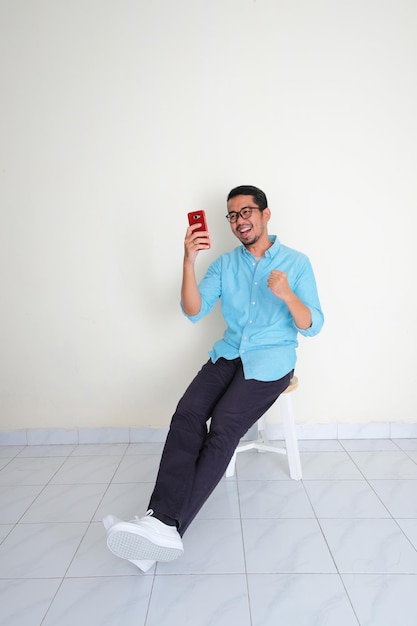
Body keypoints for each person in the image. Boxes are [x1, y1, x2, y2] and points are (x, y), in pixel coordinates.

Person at [103, 184, 324, 571]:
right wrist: (188, 260)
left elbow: (312, 326)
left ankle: (163, 525)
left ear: (265, 214)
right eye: (233, 215)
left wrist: (288, 295)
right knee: (187, 413)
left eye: (246, 212)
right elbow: (193, 310)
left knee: (222, 426)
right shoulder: (224, 264)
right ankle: (161, 527)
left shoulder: (296, 262)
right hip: (228, 355)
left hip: (272, 362)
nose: (240, 221)